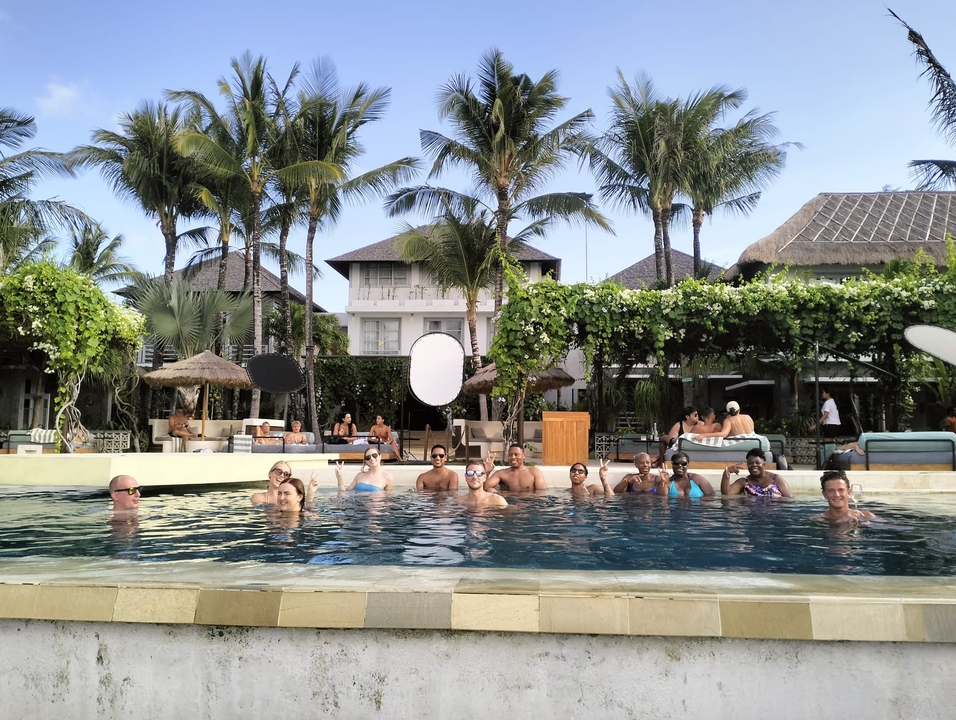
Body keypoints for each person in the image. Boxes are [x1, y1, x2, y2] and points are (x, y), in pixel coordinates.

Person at [721, 447, 793, 498]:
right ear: (747, 465)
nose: (754, 465)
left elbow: (789, 498)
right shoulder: (744, 483)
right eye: (750, 463)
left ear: (764, 464)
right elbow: (727, 493)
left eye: (757, 463)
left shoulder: (775, 479)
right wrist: (727, 472)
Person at [812, 470, 878, 524]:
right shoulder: (819, 519)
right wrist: (841, 522)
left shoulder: (867, 516)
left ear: (848, 492)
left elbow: (883, 528)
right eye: (831, 491)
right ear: (824, 494)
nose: (837, 495)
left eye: (841, 490)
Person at [483, 444, 548, 492]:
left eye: (516, 454)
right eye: (510, 455)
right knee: (490, 490)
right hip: (509, 502)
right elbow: (484, 488)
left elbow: (541, 493)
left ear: (524, 456)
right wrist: (487, 471)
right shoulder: (501, 474)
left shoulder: (534, 472)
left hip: (529, 503)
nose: (513, 457)